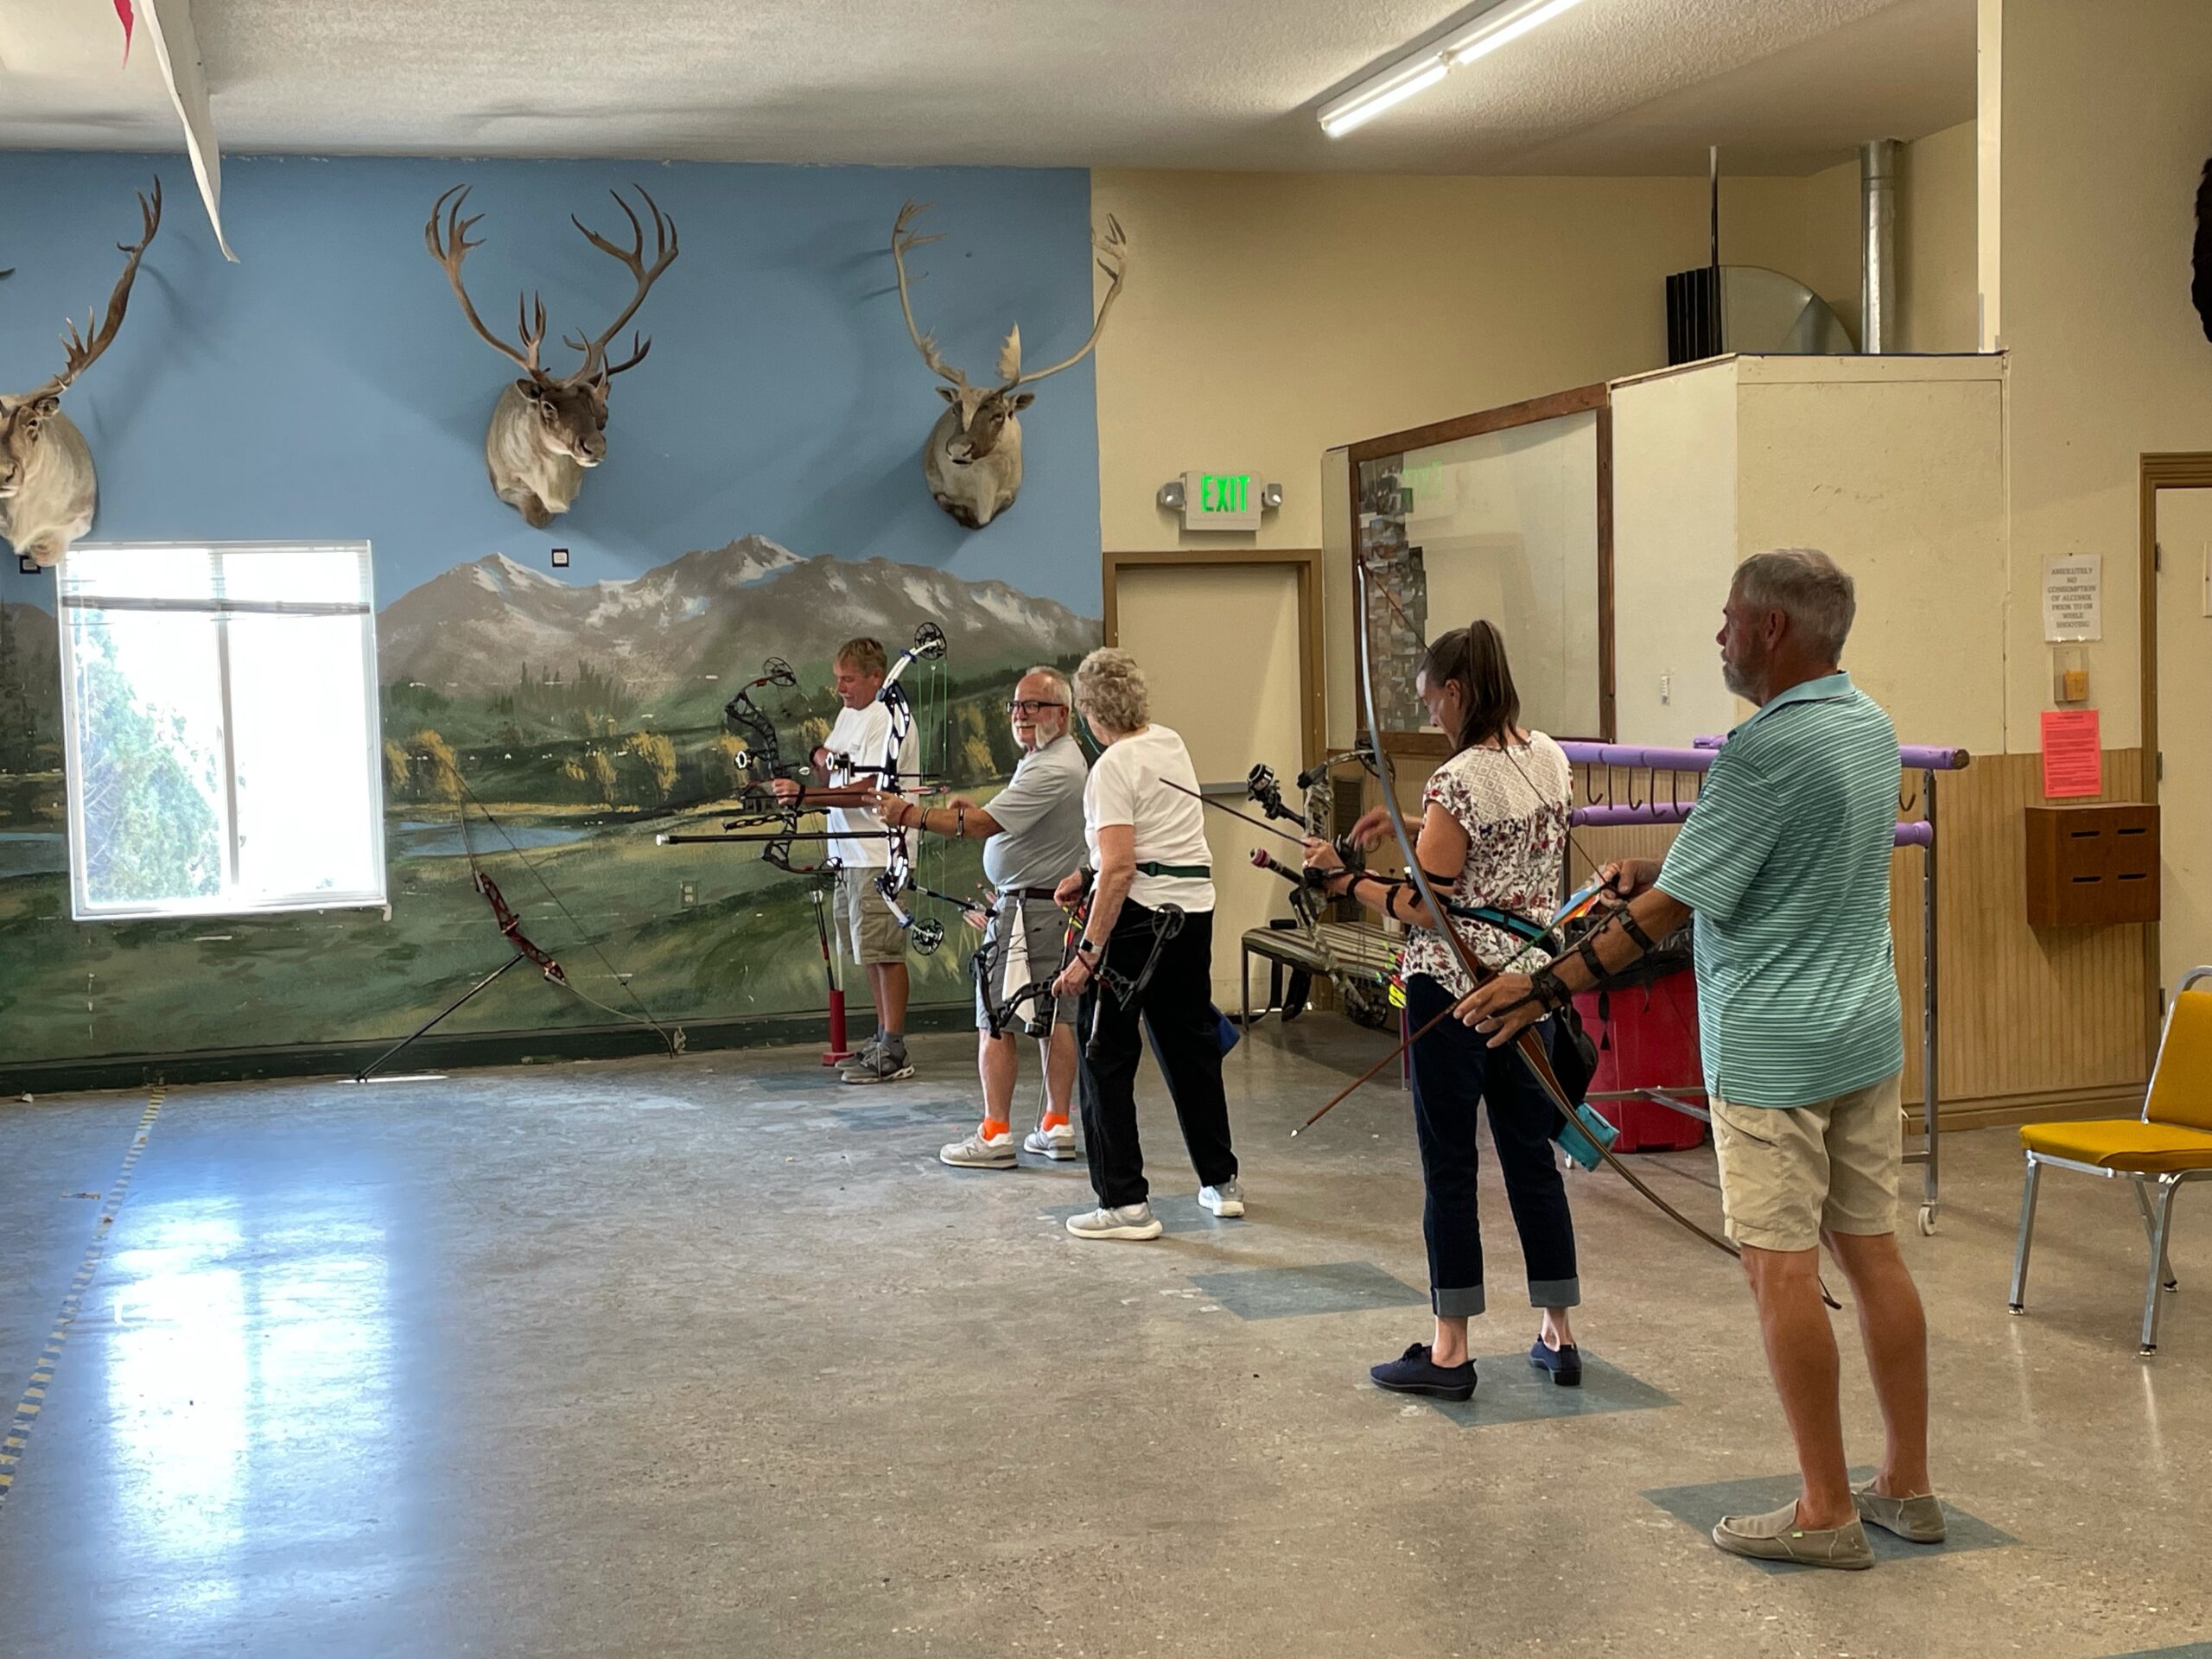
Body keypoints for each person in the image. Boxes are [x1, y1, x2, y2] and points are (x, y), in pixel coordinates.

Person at [1458, 549, 1939, 1572]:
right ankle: (1905, 1485)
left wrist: (1538, 988)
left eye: (1728, 620)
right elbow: (1745, 855)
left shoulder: (1762, 749)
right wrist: (1661, 862)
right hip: (1863, 1032)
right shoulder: (1865, 722)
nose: (1717, 636)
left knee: (1780, 1270)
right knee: (1874, 1249)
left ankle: (1824, 1509)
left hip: (1774, 1050)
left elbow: (1665, 914)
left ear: (1770, 629)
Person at [1303, 620, 1582, 1402]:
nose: (1433, 719)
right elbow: (1503, 853)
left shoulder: (1454, 780)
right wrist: (1407, 827)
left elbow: (1430, 905)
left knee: (1450, 1165)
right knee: (1532, 1161)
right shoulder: (1552, 758)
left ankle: (1451, 1348)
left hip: (1451, 996)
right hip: (1528, 988)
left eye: (1433, 703)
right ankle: (1559, 1334)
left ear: (1457, 691)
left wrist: (1344, 882)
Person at [1048, 648, 1241, 1241]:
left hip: (1140, 921)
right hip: (1193, 915)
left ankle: (1124, 1204)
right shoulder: (1167, 741)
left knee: (1104, 1052)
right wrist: (1087, 872)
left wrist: (1085, 954)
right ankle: (1222, 1183)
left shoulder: (1109, 767)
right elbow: (1154, 836)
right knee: (1190, 1050)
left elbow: (1124, 867)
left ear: (1086, 712)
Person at [872, 668, 1090, 1169]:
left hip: (1030, 911)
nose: (1020, 715)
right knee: (1054, 1016)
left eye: (1033, 706)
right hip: (1037, 905)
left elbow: (986, 824)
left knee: (996, 1020)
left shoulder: (1052, 765)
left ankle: (995, 1134)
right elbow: (1005, 820)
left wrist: (910, 815)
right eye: (1015, 706)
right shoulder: (1048, 759)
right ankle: (1056, 1124)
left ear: (1062, 712)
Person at [772, 637, 919, 1085]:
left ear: (877, 678)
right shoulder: (851, 713)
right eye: (837, 679)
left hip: (879, 851)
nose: (840, 688)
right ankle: (881, 1037)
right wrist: (822, 757)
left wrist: (805, 795)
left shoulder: (889, 718)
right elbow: (834, 761)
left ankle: (894, 1046)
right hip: (849, 853)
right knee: (868, 952)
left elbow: (867, 789)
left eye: (848, 679)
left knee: (884, 951)